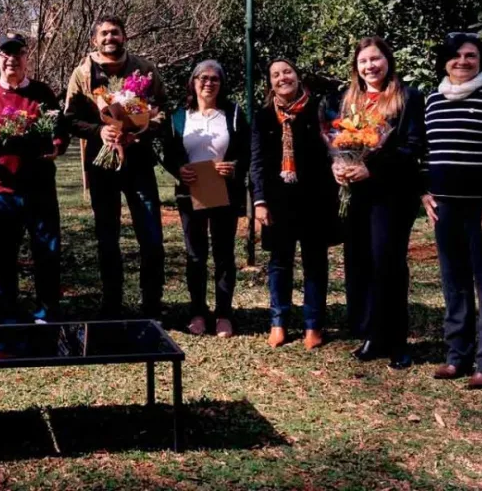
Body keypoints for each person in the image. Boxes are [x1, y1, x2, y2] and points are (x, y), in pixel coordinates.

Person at [422, 33, 482, 389]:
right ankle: (457, 356)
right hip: (445, 208)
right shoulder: (433, 100)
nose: (463, 61)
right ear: (444, 60)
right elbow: (428, 154)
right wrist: (425, 191)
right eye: (456, 55)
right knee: (454, 283)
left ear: (481, 59)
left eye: (471, 55)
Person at [0, 33, 68, 322]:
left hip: (39, 187)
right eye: (5, 55)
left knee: (46, 249)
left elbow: (59, 132)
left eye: (17, 54)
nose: (12, 60)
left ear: (26, 58)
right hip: (0, 188)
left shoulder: (42, 93)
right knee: (2, 253)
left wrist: (56, 147)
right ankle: (8, 310)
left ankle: (47, 310)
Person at [65, 16, 168, 319]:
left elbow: (162, 110)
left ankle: (151, 303)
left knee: (151, 236)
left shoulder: (144, 69)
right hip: (102, 164)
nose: (110, 38)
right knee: (107, 237)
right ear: (94, 40)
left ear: (124, 37)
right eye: (104, 34)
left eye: (116, 33)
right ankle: (112, 303)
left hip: (138, 164)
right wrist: (99, 131)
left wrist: (140, 131)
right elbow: (70, 119)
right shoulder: (82, 74)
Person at [336, 37, 424, 370]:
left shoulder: (409, 98)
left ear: (388, 61)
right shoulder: (349, 101)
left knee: (388, 264)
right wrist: (340, 166)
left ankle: (398, 340)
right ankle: (373, 333)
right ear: (356, 67)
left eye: (375, 59)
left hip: (391, 195)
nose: (370, 66)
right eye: (363, 62)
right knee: (361, 263)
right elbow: (340, 142)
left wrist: (370, 168)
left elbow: (412, 147)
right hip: (357, 197)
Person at [250, 59, 337, 349]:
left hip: (316, 200)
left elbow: (335, 149)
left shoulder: (319, 110)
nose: (282, 78)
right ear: (270, 83)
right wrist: (259, 201)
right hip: (277, 202)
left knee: (315, 263)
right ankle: (279, 322)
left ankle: (314, 325)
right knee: (279, 263)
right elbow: (257, 162)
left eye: (287, 72)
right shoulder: (263, 118)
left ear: (298, 77)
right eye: (275, 75)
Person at [164, 60, 249, 337]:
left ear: (221, 84)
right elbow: (167, 153)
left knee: (224, 254)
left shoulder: (234, 114)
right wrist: (179, 169)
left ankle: (224, 314)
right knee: (195, 256)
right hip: (191, 193)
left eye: (215, 78)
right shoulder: (179, 116)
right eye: (202, 78)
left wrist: (234, 166)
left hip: (224, 192)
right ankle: (197, 312)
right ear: (193, 82)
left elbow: (248, 151)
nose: (208, 83)